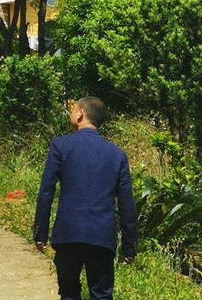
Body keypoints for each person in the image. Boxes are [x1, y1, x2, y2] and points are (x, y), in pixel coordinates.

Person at [33, 96, 137, 300]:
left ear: (80, 113)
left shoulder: (60, 146)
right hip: (102, 237)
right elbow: (127, 204)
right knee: (101, 295)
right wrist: (129, 246)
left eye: (72, 110)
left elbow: (47, 192)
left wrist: (40, 233)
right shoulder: (117, 155)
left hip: (68, 234)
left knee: (69, 292)